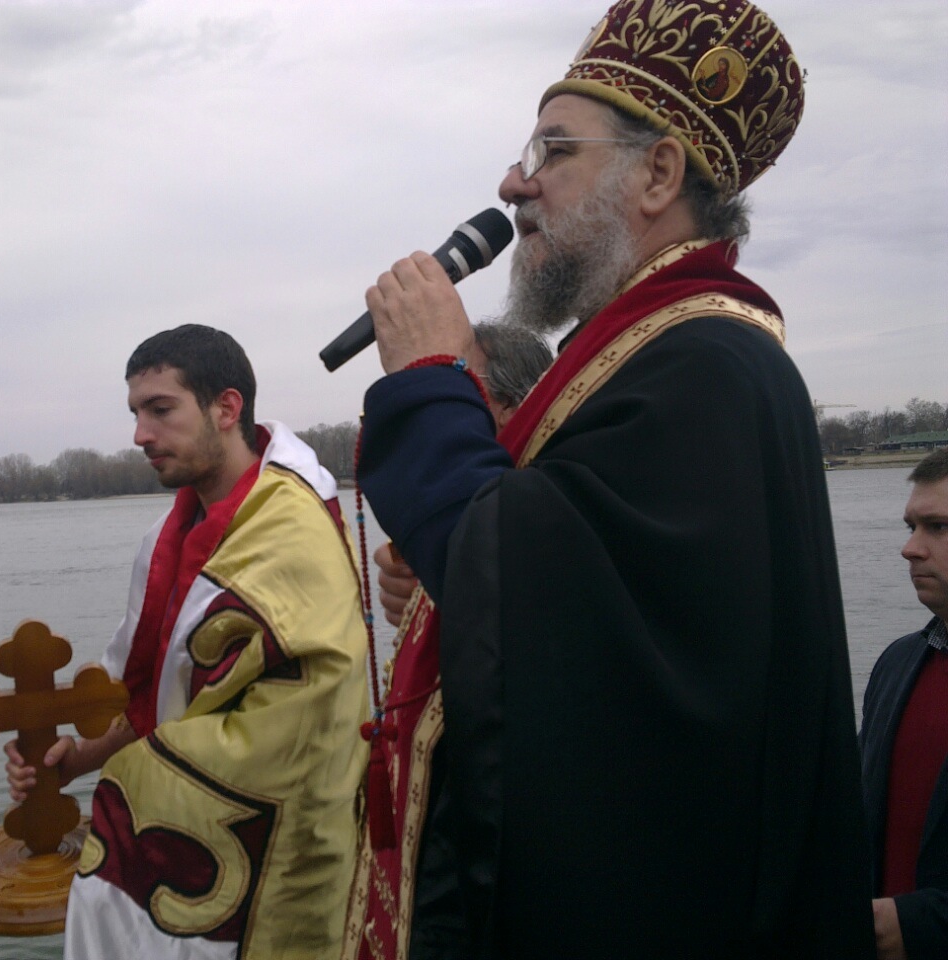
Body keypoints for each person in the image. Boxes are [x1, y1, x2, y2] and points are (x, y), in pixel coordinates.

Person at [353, 1, 875, 956]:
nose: (514, 182)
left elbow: (539, 613)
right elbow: (584, 594)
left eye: (554, 150)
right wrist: (443, 578)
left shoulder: (704, 364)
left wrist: (431, 381)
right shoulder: (652, 355)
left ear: (658, 175)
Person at [5, 324, 369, 959]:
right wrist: (80, 757)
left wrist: (125, 784)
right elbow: (156, 694)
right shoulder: (168, 535)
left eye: (160, 410)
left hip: (284, 867)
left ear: (226, 408)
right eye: (135, 413)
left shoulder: (293, 536)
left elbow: (302, 732)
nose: (140, 434)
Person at [343, 322, 550, 959]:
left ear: (512, 408)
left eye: (458, 386)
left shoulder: (541, 517)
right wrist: (425, 596)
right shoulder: (493, 513)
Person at [860, 447, 948, 960]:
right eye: (911, 526)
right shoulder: (897, 664)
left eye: (937, 527)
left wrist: (919, 926)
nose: (909, 549)